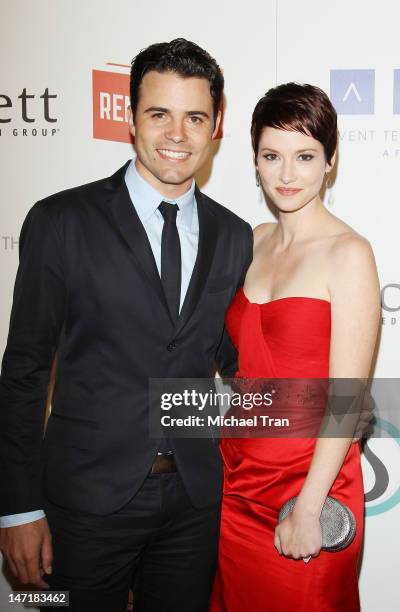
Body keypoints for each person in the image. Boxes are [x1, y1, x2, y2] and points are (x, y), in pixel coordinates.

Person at [0, 38, 253, 612]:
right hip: (81, 505)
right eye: (158, 113)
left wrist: (336, 410)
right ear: (130, 119)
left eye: (195, 117)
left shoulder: (235, 236)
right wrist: (17, 507)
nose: (176, 134)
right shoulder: (60, 220)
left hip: (193, 504)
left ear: (216, 127)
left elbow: (242, 369)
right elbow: (24, 371)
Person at [211, 83, 380, 611]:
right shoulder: (252, 240)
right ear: (255, 161)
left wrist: (310, 507)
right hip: (236, 483)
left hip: (310, 485)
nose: (287, 175)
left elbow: (348, 396)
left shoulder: (348, 253)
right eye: (272, 156)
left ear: (330, 161)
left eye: (305, 156)